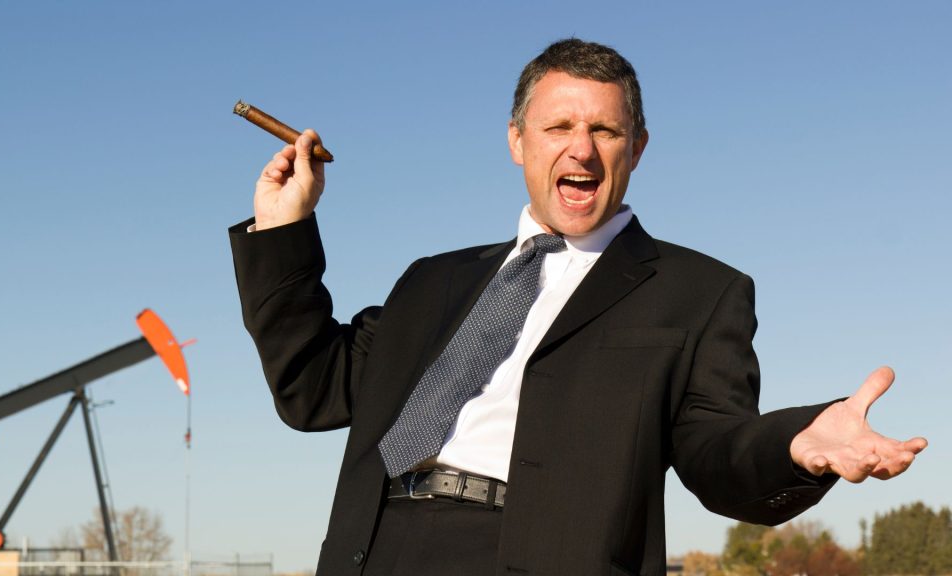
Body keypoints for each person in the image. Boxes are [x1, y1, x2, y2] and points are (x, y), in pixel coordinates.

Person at [229, 39, 926, 576]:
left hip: (538, 553)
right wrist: (284, 229)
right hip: (376, 548)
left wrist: (796, 447)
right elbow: (312, 390)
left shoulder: (700, 292)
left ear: (637, 148)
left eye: (606, 131)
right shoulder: (431, 280)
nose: (581, 150)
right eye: (558, 125)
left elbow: (713, 450)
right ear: (517, 141)